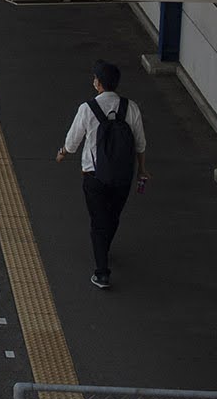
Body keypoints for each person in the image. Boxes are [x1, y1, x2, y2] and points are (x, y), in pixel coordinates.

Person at [55, 60, 150, 290]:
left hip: (94, 176)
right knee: (112, 216)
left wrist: (62, 153)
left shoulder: (87, 109)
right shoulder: (131, 108)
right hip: (123, 176)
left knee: (98, 222)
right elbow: (140, 145)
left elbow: (72, 141)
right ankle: (104, 248)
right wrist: (142, 171)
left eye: (94, 78)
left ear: (98, 84)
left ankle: (101, 272)